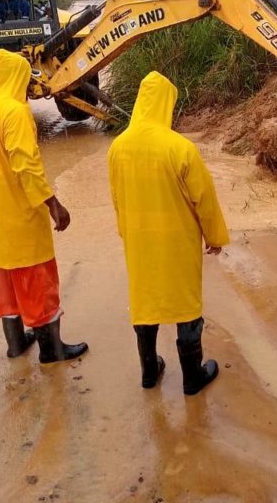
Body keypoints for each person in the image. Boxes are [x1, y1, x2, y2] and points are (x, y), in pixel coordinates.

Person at [0, 49, 88, 364]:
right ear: (16, 78)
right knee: (37, 282)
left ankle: (16, 346)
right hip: (20, 218)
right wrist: (53, 203)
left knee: (5, 285)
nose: (28, 90)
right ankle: (51, 351)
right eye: (26, 82)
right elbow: (26, 166)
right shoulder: (14, 113)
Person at [107, 71, 229, 395]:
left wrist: (126, 234)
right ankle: (192, 378)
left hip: (139, 241)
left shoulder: (117, 148)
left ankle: (149, 372)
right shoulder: (180, 148)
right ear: (165, 105)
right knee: (185, 305)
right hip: (177, 242)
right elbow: (204, 198)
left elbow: (117, 197)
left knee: (145, 301)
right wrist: (214, 237)